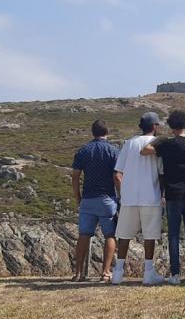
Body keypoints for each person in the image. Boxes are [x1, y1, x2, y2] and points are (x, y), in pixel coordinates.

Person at [140, 110, 185, 285]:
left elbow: (145, 150)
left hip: (173, 193)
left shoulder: (167, 144)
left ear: (171, 126)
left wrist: (158, 138)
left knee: (174, 234)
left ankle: (175, 273)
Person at [111, 112, 165, 285]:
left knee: (124, 235)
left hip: (130, 196)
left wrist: (122, 192)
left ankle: (118, 273)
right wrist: (162, 192)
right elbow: (161, 172)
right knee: (150, 235)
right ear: (155, 126)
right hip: (151, 195)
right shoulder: (156, 144)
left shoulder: (129, 143)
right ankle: (148, 272)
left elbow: (117, 173)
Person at [70, 120, 119, 282]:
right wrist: (121, 197)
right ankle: (105, 272)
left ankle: (78, 273)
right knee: (110, 235)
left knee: (84, 235)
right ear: (107, 132)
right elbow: (116, 176)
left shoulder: (83, 151)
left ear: (93, 132)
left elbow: (75, 176)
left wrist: (78, 197)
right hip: (107, 199)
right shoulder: (113, 151)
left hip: (88, 198)